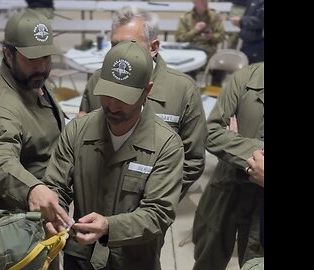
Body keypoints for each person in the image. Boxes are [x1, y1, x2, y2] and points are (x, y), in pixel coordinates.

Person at [42, 40, 184, 270]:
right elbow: (55, 186)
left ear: (147, 90)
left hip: (132, 260)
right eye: (107, 94)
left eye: (124, 98)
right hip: (80, 256)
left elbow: (158, 213)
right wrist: (53, 214)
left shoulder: (166, 145)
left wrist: (109, 226)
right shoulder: (78, 131)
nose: (113, 106)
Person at [78, 6, 207, 201]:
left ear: (153, 48)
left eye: (130, 45)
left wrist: (156, 198)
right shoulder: (97, 81)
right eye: (114, 45)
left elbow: (193, 160)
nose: (120, 54)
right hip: (96, 201)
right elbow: (82, 143)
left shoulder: (182, 90)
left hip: (149, 211)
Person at [0, 8, 70, 240]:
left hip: (47, 216)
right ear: (8, 55)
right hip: (19, 227)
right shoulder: (2, 108)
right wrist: (33, 189)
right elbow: (0, 162)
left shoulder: (30, 80)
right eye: (31, 59)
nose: (41, 67)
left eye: (46, 57)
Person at [192, 62, 264, 270]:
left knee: (254, 259)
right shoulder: (246, 78)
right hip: (227, 186)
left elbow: (222, 137)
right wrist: (258, 153)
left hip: (260, 206)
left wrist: (236, 142)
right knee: (208, 255)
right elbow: (212, 133)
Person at [175, 0, 225, 84]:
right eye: (201, 1)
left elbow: (221, 36)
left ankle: (213, 94)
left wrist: (210, 37)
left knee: (220, 68)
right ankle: (191, 92)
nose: (205, 3)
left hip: (209, 49)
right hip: (191, 49)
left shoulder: (214, 16)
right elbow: (179, 39)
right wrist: (194, 30)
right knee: (189, 70)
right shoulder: (185, 17)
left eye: (206, 1)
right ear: (194, 2)